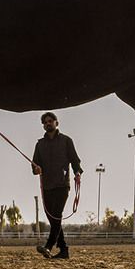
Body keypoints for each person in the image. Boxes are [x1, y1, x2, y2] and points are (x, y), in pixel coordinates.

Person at [31, 111, 83, 260]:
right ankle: (64, 250)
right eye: (45, 122)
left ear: (56, 123)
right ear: (43, 125)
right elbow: (34, 165)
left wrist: (77, 172)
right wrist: (36, 169)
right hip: (46, 186)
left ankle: (48, 246)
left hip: (62, 185)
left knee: (56, 216)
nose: (48, 123)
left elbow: (75, 160)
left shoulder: (66, 141)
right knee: (53, 219)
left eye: (50, 121)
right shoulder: (39, 144)